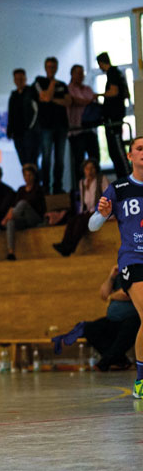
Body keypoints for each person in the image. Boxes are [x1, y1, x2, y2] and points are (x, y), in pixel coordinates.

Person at [90, 139, 143, 399]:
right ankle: (141, 382)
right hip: (133, 260)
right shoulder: (119, 188)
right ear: (130, 155)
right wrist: (103, 214)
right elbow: (92, 225)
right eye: (140, 149)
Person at [85, 265, 139, 371]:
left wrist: (111, 296)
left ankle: (104, 363)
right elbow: (104, 294)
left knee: (130, 327)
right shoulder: (120, 272)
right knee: (89, 329)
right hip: (114, 319)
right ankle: (120, 361)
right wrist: (111, 277)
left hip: (133, 317)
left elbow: (128, 293)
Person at [53, 159, 109, 256]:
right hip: (89, 211)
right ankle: (64, 244)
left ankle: (70, 247)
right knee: (72, 220)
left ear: (96, 169)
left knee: (81, 221)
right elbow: (83, 203)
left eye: (92, 168)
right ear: (84, 170)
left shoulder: (101, 179)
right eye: (87, 169)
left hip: (101, 211)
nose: (90, 171)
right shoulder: (82, 183)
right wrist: (80, 214)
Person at [34, 57, 71, 194]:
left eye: (54, 67)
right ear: (45, 68)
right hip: (46, 126)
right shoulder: (39, 81)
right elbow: (45, 97)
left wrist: (51, 99)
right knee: (46, 157)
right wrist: (52, 85)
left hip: (61, 125)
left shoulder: (62, 84)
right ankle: (45, 187)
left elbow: (68, 102)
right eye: (49, 67)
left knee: (60, 159)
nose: (51, 69)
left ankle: (57, 186)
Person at [96, 52, 131, 178]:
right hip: (116, 115)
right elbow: (126, 94)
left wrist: (99, 95)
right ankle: (123, 176)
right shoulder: (119, 73)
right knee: (115, 149)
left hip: (113, 117)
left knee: (117, 148)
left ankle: (126, 176)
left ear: (101, 63)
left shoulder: (112, 73)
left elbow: (114, 91)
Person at [2, 164, 46, 261]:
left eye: (29, 175)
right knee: (10, 222)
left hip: (35, 217)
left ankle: (7, 219)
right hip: (22, 218)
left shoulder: (38, 189)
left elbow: (32, 205)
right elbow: (14, 206)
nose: (27, 178)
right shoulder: (21, 190)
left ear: (34, 176)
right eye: (25, 175)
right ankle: (11, 252)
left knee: (23, 203)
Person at [68, 65, 101, 188]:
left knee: (95, 159)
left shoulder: (87, 88)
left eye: (82, 73)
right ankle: (80, 190)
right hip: (76, 130)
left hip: (90, 130)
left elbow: (93, 101)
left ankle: (97, 188)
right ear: (72, 74)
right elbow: (75, 100)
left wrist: (89, 99)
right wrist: (89, 100)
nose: (80, 76)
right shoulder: (68, 89)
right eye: (77, 73)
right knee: (79, 163)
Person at [7, 68, 40, 166]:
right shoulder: (13, 95)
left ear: (25, 79)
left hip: (30, 133)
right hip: (17, 134)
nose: (19, 81)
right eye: (17, 79)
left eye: (21, 79)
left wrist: (31, 128)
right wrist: (10, 129)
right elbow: (11, 114)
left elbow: (36, 112)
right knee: (24, 162)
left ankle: (36, 181)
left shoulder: (32, 93)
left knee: (32, 161)